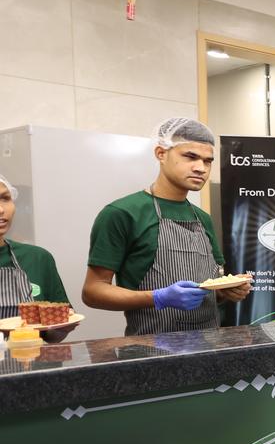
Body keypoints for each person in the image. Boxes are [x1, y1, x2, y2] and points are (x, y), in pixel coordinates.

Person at [83, 118, 250, 335]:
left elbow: (209, 290)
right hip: (151, 351)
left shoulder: (202, 218)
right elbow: (93, 291)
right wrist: (158, 297)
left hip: (209, 347)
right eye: (190, 157)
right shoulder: (123, 213)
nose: (200, 168)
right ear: (161, 154)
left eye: (207, 161)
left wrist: (226, 291)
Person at [0, 173, 75, 341]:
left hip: (31, 364)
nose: (1, 210)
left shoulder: (38, 258)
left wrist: (61, 328)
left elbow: (51, 337)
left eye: (5, 198)